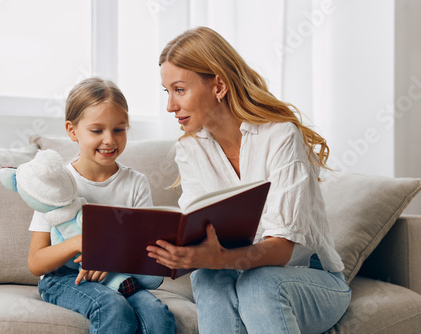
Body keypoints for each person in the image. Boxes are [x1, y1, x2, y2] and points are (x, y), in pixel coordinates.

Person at [147, 26, 351, 334]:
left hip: (309, 277)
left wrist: (220, 259)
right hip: (238, 276)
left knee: (260, 283)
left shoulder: (280, 135)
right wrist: (181, 255)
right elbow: (198, 232)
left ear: (218, 86)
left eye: (180, 90)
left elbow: (281, 249)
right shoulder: (189, 149)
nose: (170, 107)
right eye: (167, 92)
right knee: (207, 277)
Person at [27, 77, 176, 334]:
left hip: (121, 275)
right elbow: (36, 262)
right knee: (112, 308)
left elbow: (145, 250)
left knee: (158, 317)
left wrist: (110, 257)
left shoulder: (136, 183)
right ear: (72, 131)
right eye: (97, 131)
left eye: (119, 129)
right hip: (64, 278)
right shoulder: (56, 184)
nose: (109, 140)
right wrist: (79, 243)